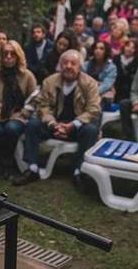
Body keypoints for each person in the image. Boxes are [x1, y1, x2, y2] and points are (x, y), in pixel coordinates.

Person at [13, 50, 101, 188]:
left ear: (80, 66)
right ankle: (33, 168)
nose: (69, 66)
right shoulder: (49, 81)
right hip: (53, 125)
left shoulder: (90, 84)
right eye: (65, 63)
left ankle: (78, 171)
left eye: (73, 63)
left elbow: (94, 109)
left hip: (77, 127)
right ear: (60, 65)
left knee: (91, 130)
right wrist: (52, 123)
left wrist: (72, 125)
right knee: (33, 125)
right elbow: (43, 106)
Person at [0, 40, 37, 179]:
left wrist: (24, 112)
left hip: (17, 115)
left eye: (13, 54)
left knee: (11, 128)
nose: (9, 57)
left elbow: (35, 100)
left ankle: (7, 165)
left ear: (18, 56)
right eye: (5, 54)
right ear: (0, 56)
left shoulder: (27, 75)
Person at [83, 40, 118, 109]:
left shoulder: (111, 67)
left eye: (101, 49)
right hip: (86, 92)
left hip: (102, 94)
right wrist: (97, 83)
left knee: (97, 103)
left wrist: (92, 92)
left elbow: (106, 85)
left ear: (106, 51)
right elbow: (82, 81)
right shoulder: (86, 65)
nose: (98, 51)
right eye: (96, 48)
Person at [113, 38, 138, 103]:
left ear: (135, 50)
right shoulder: (116, 59)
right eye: (128, 46)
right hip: (117, 88)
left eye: (133, 48)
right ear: (124, 47)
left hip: (130, 90)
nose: (129, 49)